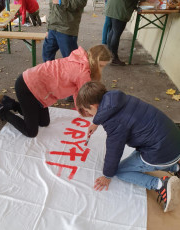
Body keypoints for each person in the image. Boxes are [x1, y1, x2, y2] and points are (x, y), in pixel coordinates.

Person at [76, 81, 180, 212]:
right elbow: (105, 112)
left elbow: (114, 151)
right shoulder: (117, 99)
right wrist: (96, 123)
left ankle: (160, 185)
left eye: (88, 111)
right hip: (174, 142)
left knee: (120, 171)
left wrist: (107, 175)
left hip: (160, 152)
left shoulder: (114, 122)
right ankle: (176, 166)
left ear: (93, 105)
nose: (89, 114)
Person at [0, 45, 111, 138]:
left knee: (44, 122)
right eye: (102, 66)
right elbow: (85, 96)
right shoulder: (83, 72)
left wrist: (81, 109)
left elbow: (78, 91)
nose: (102, 69)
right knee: (31, 132)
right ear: (94, 62)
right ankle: (0, 110)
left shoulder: (81, 59)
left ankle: (10, 103)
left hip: (37, 89)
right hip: (27, 87)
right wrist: (86, 112)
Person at [105, 0, 140, 66]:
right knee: (116, 33)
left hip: (112, 6)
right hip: (120, 9)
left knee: (113, 31)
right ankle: (114, 58)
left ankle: (110, 54)